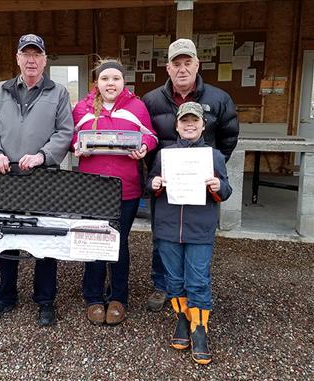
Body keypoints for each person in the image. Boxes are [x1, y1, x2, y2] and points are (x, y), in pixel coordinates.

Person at [0, 34, 74, 327]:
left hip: (43, 178)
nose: (31, 60)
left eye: (37, 55)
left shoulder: (58, 92)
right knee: (5, 237)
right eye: (26, 54)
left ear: (45, 60)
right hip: (5, 176)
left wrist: (42, 156)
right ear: (17, 58)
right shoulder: (1, 90)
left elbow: (64, 131)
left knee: (44, 240)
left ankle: (45, 300)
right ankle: (6, 294)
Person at [142, 38, 239, 312]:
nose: (182, 69)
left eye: (187, 63)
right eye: (176, 64)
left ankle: (194, 291)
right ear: (168, 68)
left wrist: (213, 167)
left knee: (197, 235)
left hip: (199, 186)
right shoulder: (151, 100)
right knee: (162, 236)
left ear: (197, 64)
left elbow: (229, 137)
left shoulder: (219, 99)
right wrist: (156, 174)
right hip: (165, 185)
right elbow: (146, 138)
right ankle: (163, 286)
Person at [72, 59, 158, 326]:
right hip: (92, 188)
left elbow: (151, 136)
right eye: (105, 78)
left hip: (126, 188)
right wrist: (78, 146)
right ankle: (94, 297)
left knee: (119, 242)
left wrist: (143, 146)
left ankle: (119, 296)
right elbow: (72, 137)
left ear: (123, 82)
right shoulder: (82, 108)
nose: (111, 83)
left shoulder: (136, 107)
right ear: (97, 82)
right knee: (94, 240)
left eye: (116, 79)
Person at [147, 101, 232, 364]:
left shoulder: (214, 156)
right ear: (177, 125)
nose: (190, 124)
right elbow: (149, 183)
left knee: (197, 280)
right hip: (168, 228)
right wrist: (155, 183)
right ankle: (182, 320)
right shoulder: (164, 154)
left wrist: (218, 185)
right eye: (184, 120)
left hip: (199, 229)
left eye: (194, 120)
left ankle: (199, 329)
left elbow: (226, 190)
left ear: (203, 125)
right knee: (173, 279)